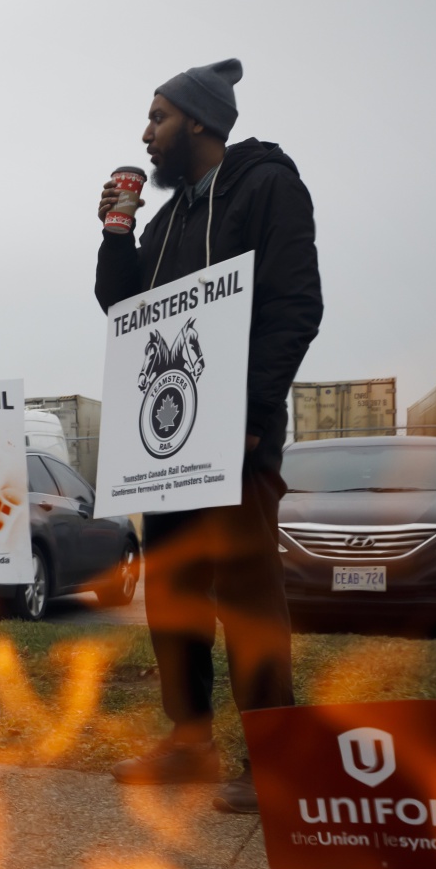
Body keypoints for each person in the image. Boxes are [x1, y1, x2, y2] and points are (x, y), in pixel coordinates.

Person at [93, 58, 321, 814]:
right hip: (171, 445)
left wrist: (253, 414)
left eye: (156, 118)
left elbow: (295, 306)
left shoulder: (266, 188)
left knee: (248, 595)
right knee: (176, 593)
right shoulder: (165, 223)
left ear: (198, 120)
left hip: (238, 436)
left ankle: (276, 762)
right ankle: (189, 742)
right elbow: (124, 312)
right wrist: (117, 231)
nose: (146, 134)